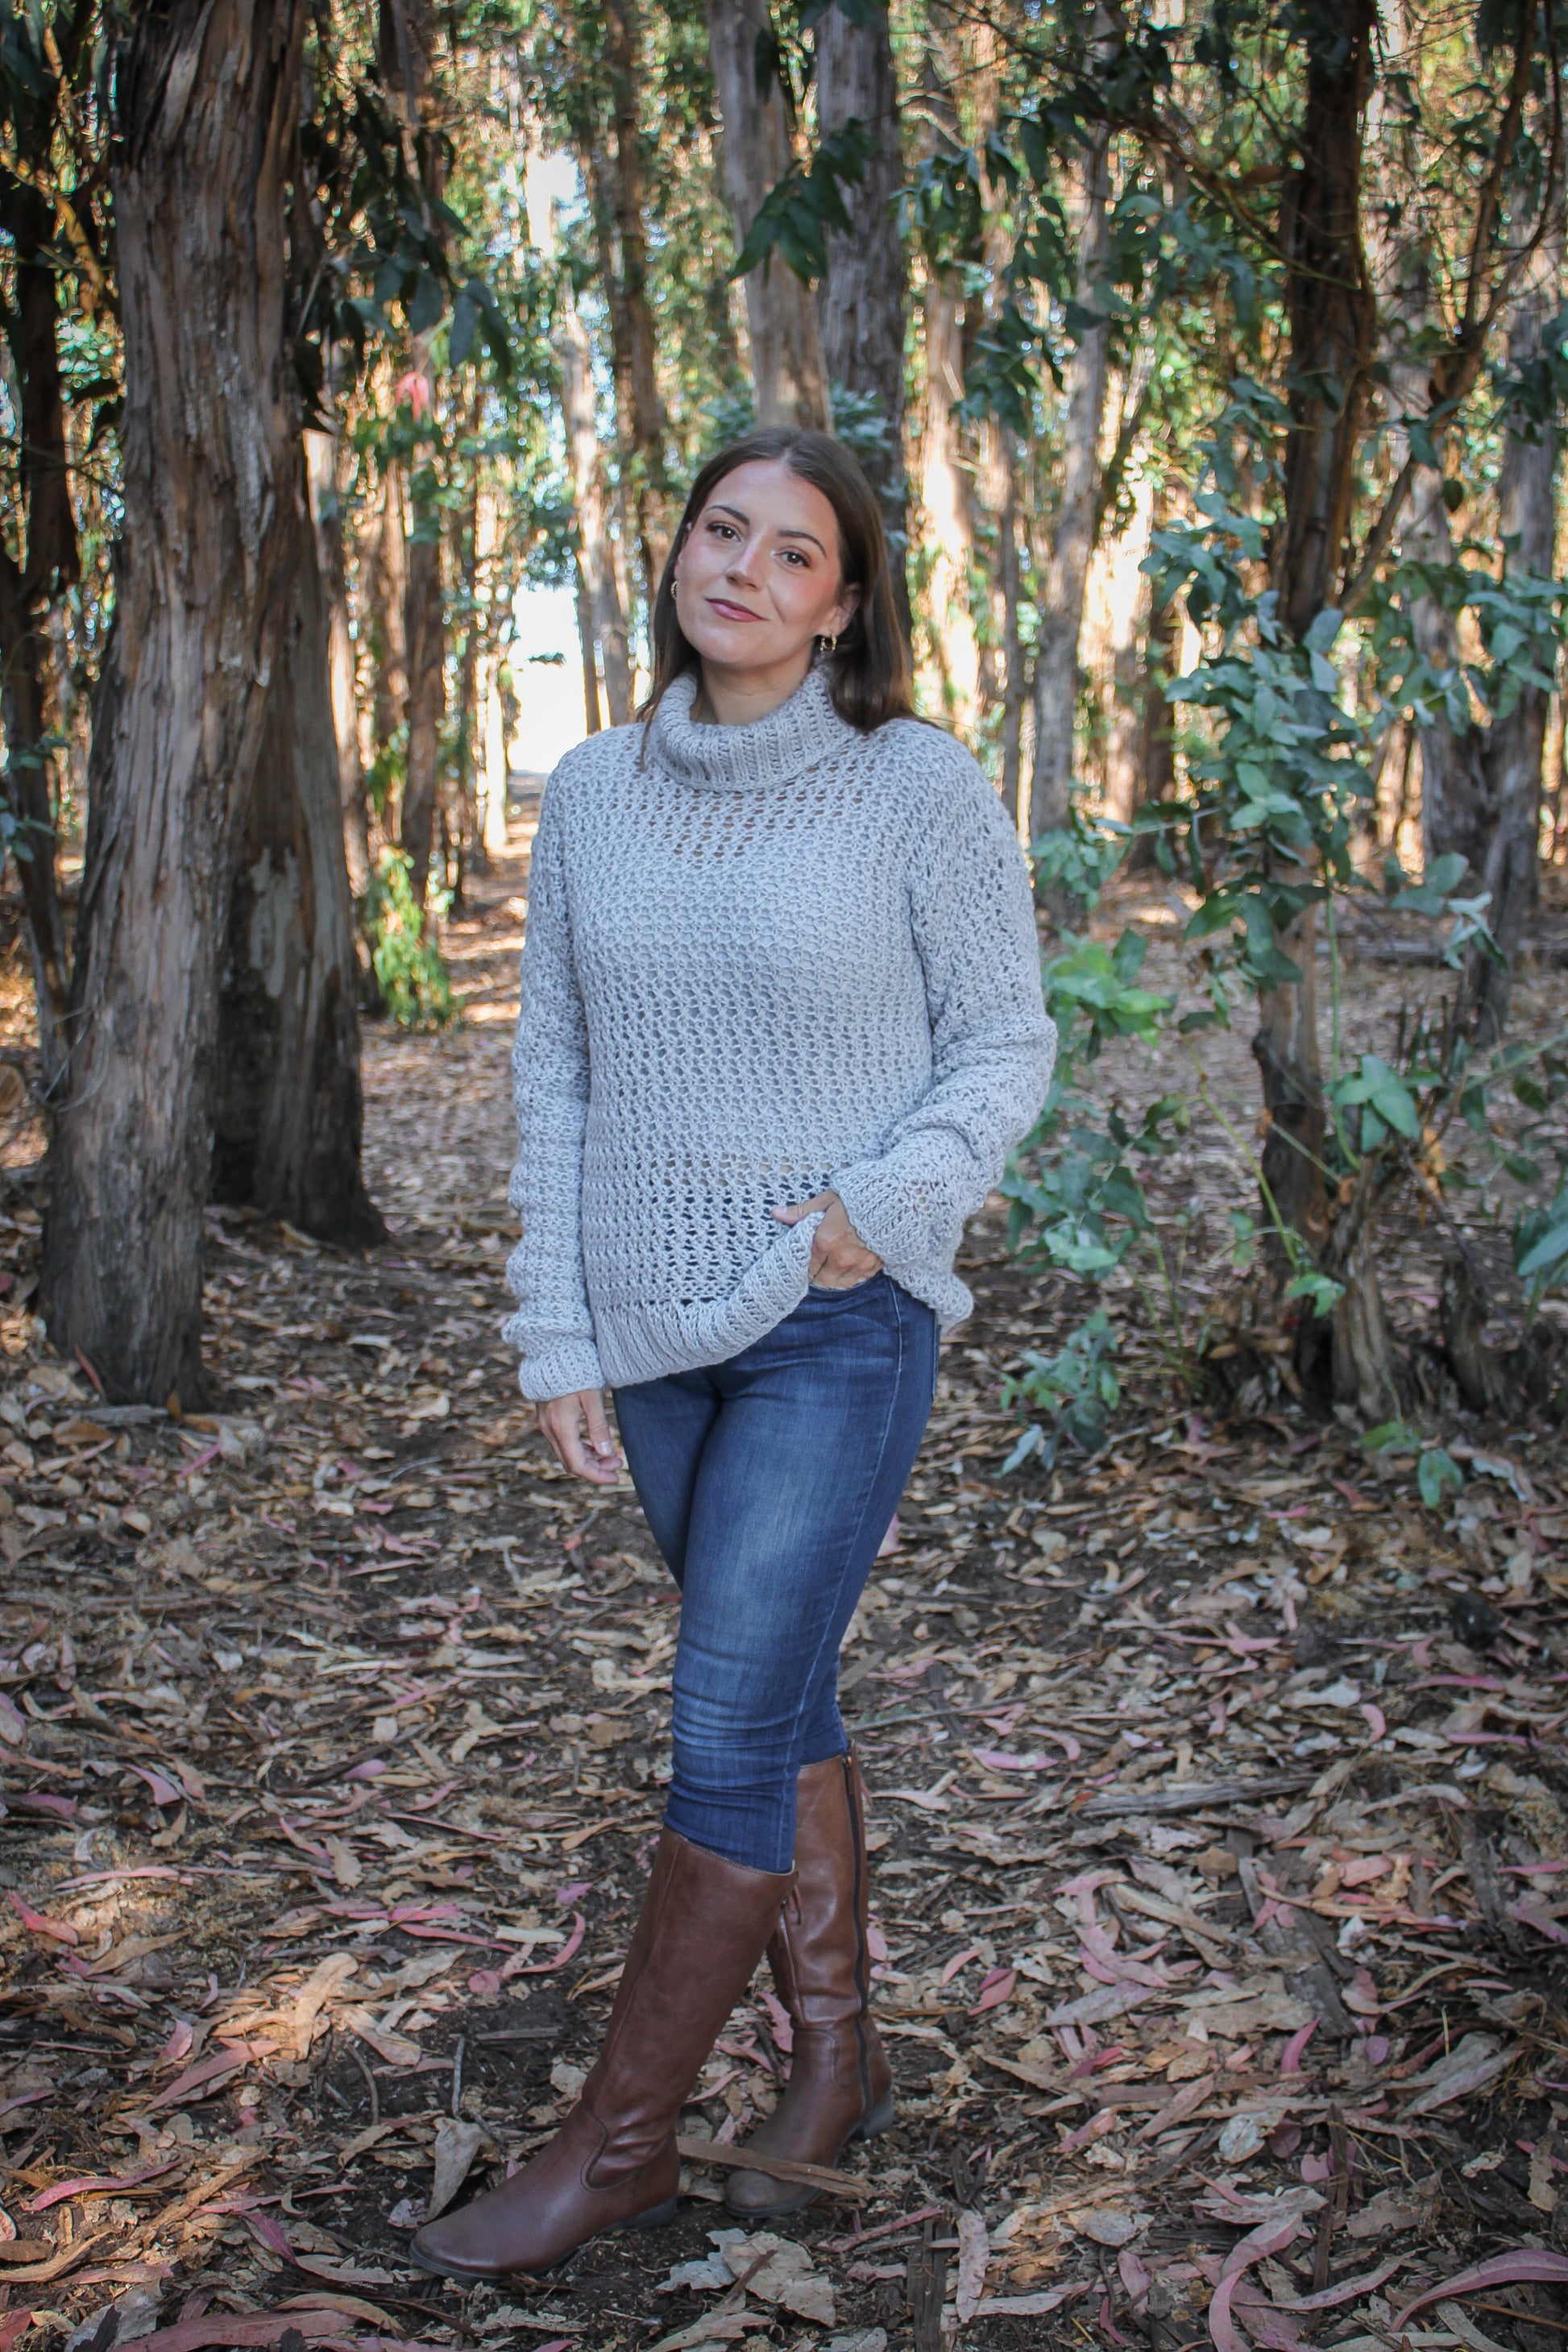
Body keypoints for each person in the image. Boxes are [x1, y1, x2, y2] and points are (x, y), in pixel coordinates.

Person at [411, 428, 1056, 2283]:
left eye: (792, 553)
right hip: (652, 1336)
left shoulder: (911, 784)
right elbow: (557, 1075)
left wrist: (884, 1202)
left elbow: (1003, 1043)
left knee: (719, 1724)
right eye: (721, 531)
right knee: (777, 1698)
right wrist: (556, 1329)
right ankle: (834, 2055)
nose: (744, 571)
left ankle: (617, 2142)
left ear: (842, 605)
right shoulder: (593, 791)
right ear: (677, 552)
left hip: (832, 1323)